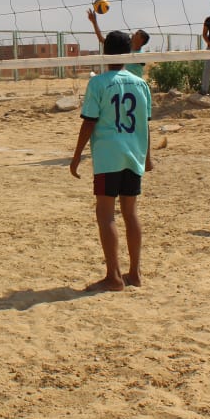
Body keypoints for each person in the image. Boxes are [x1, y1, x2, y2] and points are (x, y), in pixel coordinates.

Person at [69, 30, 153, 292]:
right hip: (133, 155)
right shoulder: (141, 84)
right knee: (130, 213)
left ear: (105, 53)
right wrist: (148, 157)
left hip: (108, 157)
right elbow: (145, 123)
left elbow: (89, 123)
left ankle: (113, 277)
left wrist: (76, 156)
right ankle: (135, 274)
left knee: (105, 215)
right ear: (129, 54)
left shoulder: (98, 83)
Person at [87, 8, 150, 77]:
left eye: (136, 34)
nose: (133, 34)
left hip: (133, 82)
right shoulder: (125, 46)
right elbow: (101, 39)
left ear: (141, 40)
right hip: (121, 80)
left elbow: (141, 62)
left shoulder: (141, 54)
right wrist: (94, 22)